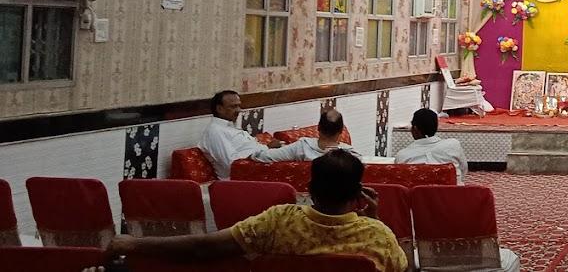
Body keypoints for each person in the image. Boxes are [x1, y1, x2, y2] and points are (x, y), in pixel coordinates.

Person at [82, 150, 406, 272]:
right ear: (359, 194)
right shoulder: (378, 237)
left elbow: (202, 247)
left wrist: (133, 243)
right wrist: (374, 221)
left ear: (310, 189)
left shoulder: (278, 221)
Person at [198, 90, 281, 179]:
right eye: (233, 107)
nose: (239, 110)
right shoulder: (215, 132)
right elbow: (231, 163)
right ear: (219, 109)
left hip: (260, 163)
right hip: (241, 178)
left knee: (291, 151)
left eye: (238, 106)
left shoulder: (230, 127)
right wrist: (266, 148)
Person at [256, 108, 359, 163]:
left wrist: (267, 147)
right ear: (341, 132)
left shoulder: (301, 147)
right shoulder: (351, 156)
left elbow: (263, 156)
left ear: (318, 128)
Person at [394, 108, 468, 184]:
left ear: (415, 129)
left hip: (417, 191)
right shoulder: (453, 145)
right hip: (451, 191)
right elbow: (463, 169)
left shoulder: (402, 156)